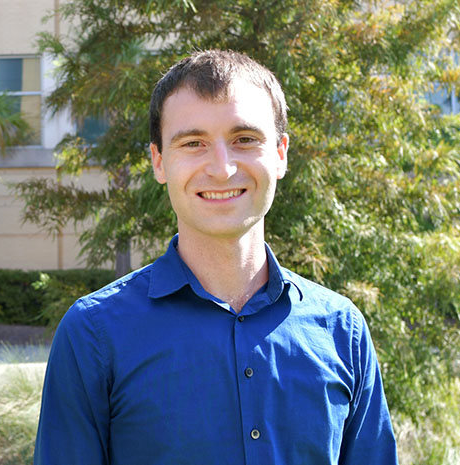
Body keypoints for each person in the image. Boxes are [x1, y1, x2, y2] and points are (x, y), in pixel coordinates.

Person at [34, 49, 398, 465]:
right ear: (159, 161)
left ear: (280, 153)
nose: (222, 169)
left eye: (244, 139)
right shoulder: (93, 335)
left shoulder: (341, 331)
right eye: (194, 143)